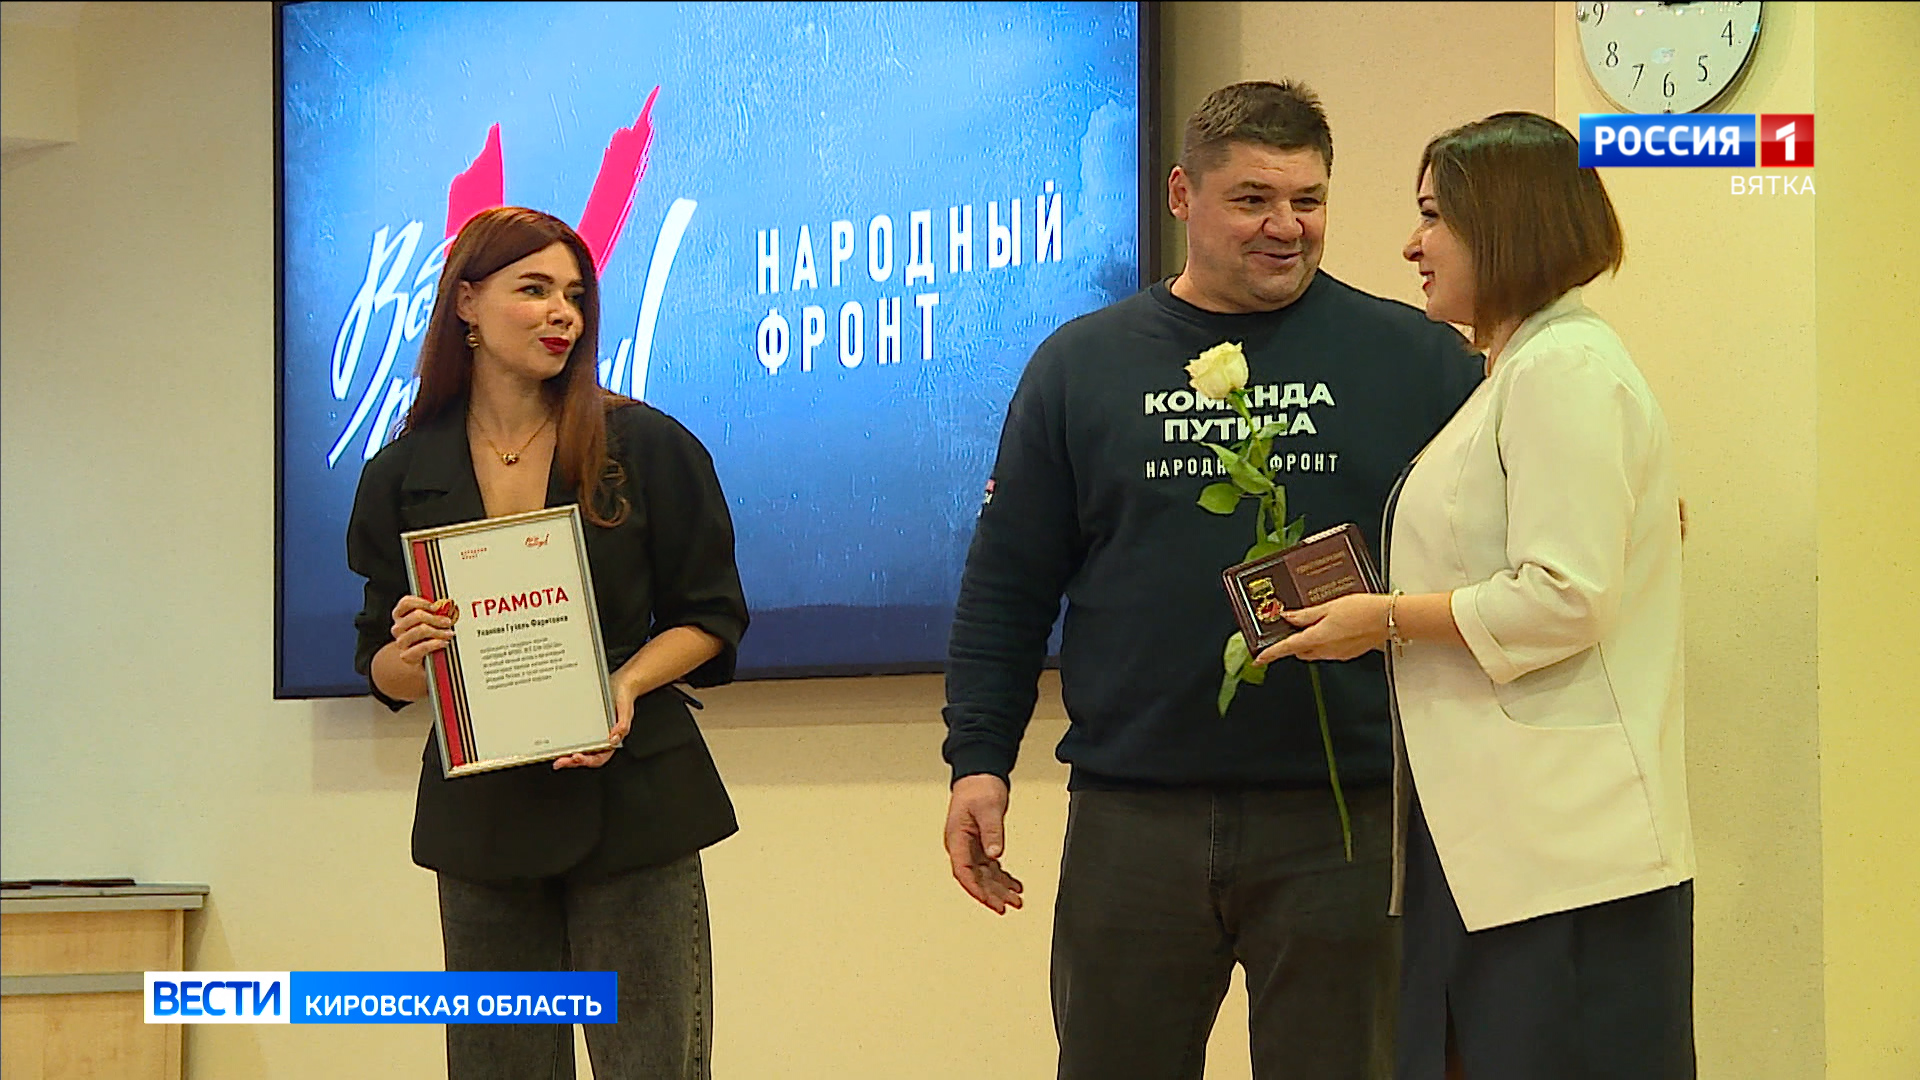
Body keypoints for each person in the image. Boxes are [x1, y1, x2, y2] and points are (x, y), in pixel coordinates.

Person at [941, 81, 1482, 1078]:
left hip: (1348, 813)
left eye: (1308, 200)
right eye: (1253, 200)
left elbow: (1504, 544)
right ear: (1183, 195)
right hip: (1134, 815)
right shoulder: (1081, 367)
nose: (1287, 226)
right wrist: (979, 759)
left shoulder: (1419, 362)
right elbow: (1007, 588)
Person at [1259, 112, 1696, 1079]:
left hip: (1563, 853)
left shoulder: (1566, 371)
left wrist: (1385, 619)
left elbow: (1566, 596)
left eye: (1433, 217)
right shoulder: (1517, 372)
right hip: (1499, 842)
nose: (1411, 246)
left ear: (1505, 224)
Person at [346, 206, 748, 1080]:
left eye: (574, 295)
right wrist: (409, 655)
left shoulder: (646, 445)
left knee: (653, 1067)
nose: (561, 312)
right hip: (483, 824)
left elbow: (712, 616)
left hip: (634, 804)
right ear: (466, 304)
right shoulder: (402, 473)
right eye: (533, 290)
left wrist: (623, 685)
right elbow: (381, 665)